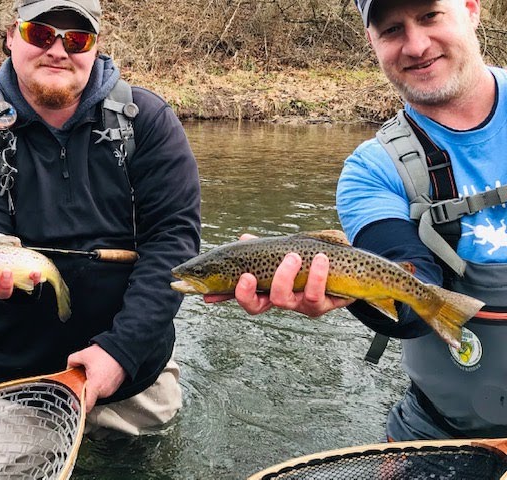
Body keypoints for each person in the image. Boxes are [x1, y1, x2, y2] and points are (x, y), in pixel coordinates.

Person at [207, 0, 507, 442]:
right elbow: (407, 304)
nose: (416, 44)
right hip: (440, 432)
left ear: (471, 8)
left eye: (429, 16)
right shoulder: (371, 171)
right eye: (391, 30)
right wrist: (350, 292)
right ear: (372, 41)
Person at [0, 0, 201, 441]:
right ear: (11, 36)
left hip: (136, 372)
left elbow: (173, 243)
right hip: (11, 385)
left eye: (76, 39)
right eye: (40, 34)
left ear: (95, 48)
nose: (58, 50)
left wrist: (121, 352)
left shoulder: (149, 123)